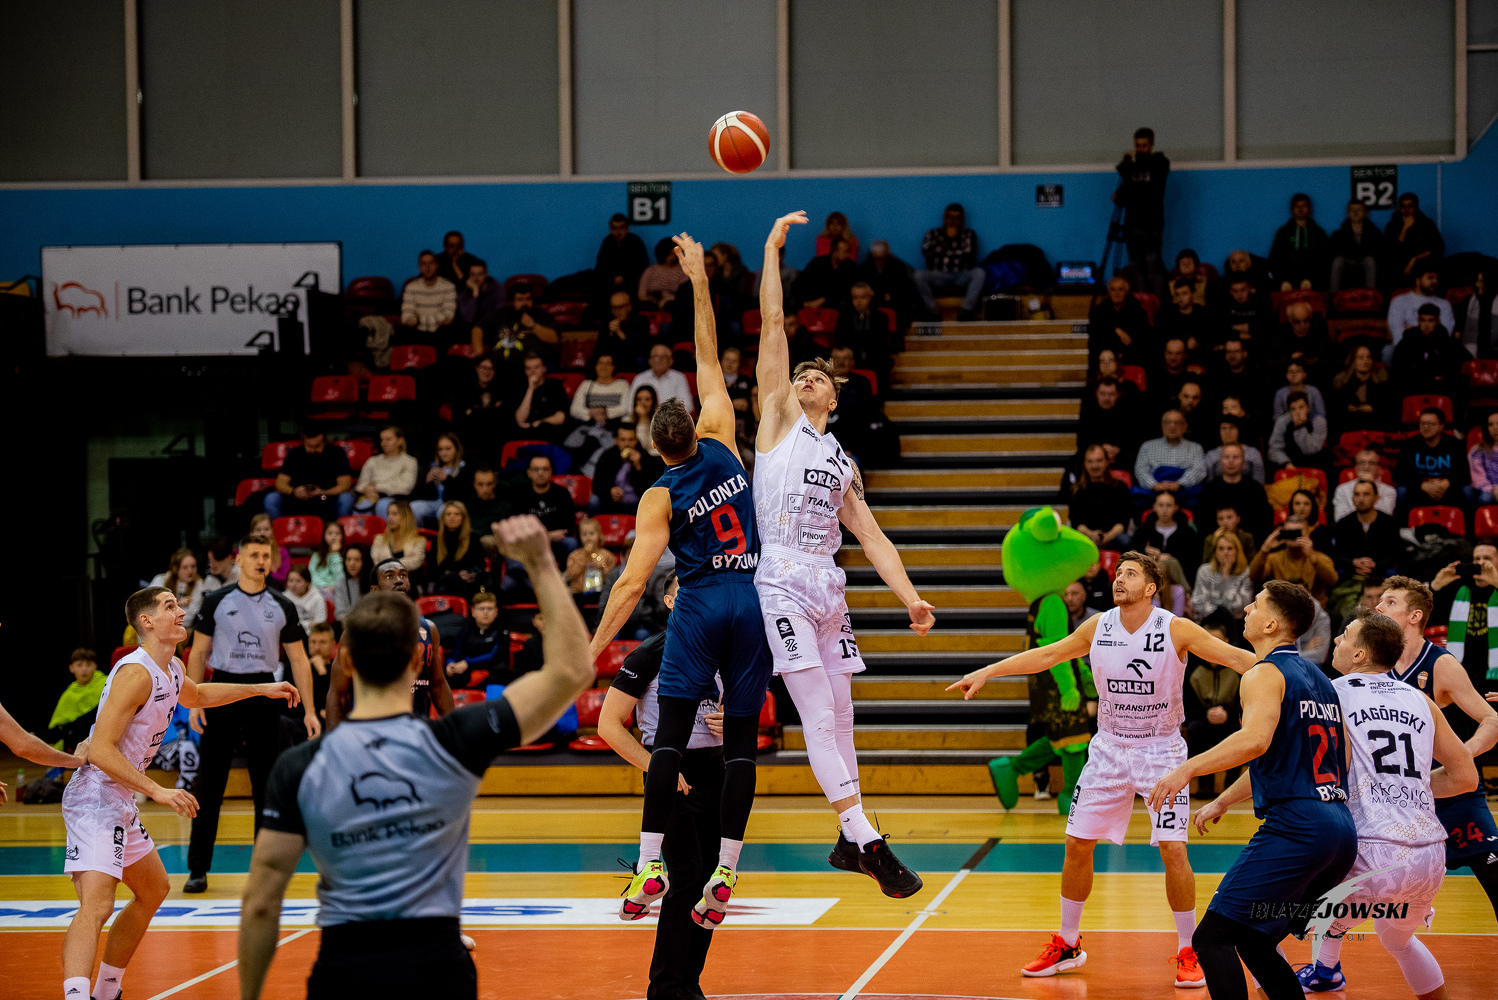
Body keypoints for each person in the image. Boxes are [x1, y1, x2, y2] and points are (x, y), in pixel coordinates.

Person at [238, 517, 595, 1000]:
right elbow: (573, 670)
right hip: (438, 971)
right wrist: (541, 562)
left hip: (344, 974)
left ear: (346, 662)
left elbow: (261, 903)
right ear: (416, 659)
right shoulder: (454, 743)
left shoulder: (299, 766)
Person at [950, 551, 1255, 987]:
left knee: (1173, 850)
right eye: (1117, 573)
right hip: (1109, 750)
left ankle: (1190, 949)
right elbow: (1047, 655)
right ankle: (1068, 943)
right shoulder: (1098, 626)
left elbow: (1236, 659)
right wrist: (989, 670)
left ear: (1151, 587)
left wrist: (1288, 677)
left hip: (1161, 753)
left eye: (1130, 574)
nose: (1119, 579)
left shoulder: (1175, 628)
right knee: (1076, 844)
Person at [586, 231, 773, 929]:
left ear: (653, 446)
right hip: (751, 596)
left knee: (668, 736)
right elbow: (707, 356)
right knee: (741, 742)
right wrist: (699, 280)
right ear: (693, 426)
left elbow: (631, 585)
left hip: (697, 603)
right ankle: (726, 870)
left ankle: (651, 865)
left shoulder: (659, 496)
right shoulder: (722, 439)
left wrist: (591, 647)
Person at [754, 211, 934, 898]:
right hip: (781, 579)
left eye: (817, 375)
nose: (805, 377)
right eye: (800, 374)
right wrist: (773, 250)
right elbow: (774, 327)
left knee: (843, 716)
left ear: (837, 392)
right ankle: (869, 841)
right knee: (817, 717)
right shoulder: (778, 422)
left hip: (829, 586)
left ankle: (845, 838)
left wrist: (910, 597)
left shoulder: (842, 461)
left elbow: (872, 536)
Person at [61, 586, 297, 1000]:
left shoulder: (170, 667)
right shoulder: (135, 673)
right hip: (95, 796)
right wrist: (158, 789)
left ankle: (107, 991)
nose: (182, 611)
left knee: (153, 889)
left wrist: (261, 688)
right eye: (170, 606)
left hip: (120, 796)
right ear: (147, 621)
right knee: (97, 906)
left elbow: (199, 695)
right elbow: (99, 749)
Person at [1147, 581, 1356, 1000]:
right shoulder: (1322, 679)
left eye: (1256, 605)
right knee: (1255, 940)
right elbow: (1337, 759)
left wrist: (1186, 769)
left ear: (1272, 624)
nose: (1246, 609)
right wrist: (1224, 799)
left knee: (1211, 939)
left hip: (1298, 828)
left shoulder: (1263, 673)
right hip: (1339, 833)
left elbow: (1255, 741)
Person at [1292, 610, 1477, 995]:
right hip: (1428, 857)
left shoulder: (1330, 693)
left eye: (1344, 635)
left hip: (1370, 850)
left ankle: (1314, 972)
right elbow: (1465, 778)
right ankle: (1326, 973)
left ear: (1360, 654)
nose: (1337, 641)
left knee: (1263, 924)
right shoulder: (1421, 700)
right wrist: (1405, 785)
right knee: (1397, 940)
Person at [597, 574, 725, 1000]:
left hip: (716, 768)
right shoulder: (650, 652)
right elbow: (608, 725)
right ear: (670, 602)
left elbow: (741, 705)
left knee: (711, 884)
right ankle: (666, 987)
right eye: (687, 592)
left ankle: (690, 982)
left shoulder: (722, 648)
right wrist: (659, 766)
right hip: (671, 769)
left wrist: (731, 721)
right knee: (686, 876)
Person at [182, 534, 320, 894]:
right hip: (223, 689)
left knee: (266, 785)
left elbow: (299, 660)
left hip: (264, 690)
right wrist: (195, 701)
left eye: (266, 555)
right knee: (209, 783)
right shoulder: (215, 601)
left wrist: (309, 710)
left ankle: (264, 871)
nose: (261, 560)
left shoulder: (283, 604)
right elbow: (197, 653)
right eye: (254, 555)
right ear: (239, 559)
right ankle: (197, 868)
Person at [1377, 576, 1498, 921]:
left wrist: (1463, 756)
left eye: (1390, 602)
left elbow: (1491, 719)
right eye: (1380, 600)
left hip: (1452, 795)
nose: (1379, 607)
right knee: (1356, 885)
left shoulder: (1440, 664)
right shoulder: (1374, 665)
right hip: (1401, 801)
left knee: (1494, 875)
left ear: (1414, 616)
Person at [325, 558, 455, 730]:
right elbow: (337, 694)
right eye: (389, 576)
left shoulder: (429, 629)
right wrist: (333, 738)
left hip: (414, 732)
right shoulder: (355, 633)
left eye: (403, 575)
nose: (399, 580)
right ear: (374, 590)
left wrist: (455, 731)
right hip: (368, 733)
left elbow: (438, 686)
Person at [1114, 127, 1170, 297]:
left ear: (1151, 145)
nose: (1141, 149)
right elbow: (1124, 194)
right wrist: (1127, 163)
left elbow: (1148, 192)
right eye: (1138, 146)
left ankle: (1157, 303)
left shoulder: (1160, 163)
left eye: (1144, 145)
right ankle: (1142, 301)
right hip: (1132, 224)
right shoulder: (1131, 167)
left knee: (1154, 265)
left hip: (1152, 225)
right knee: (1137, 266)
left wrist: (1129, 165)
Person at [266, 428, 355, 522]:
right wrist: (294, 491)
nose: (312, 450)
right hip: (298, 499)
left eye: (317, 446)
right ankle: (278, 529)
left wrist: (323, 492)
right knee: (271, 498)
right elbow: (280, 483)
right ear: (303, 441)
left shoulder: (337, 453)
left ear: (325, 442)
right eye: (308, 446)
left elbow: (345, 485)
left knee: (346, 498)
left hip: (325, 498)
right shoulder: (294, 454)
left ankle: (338, 530)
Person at [915, 203, 985, 320]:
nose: (953, 221)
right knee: (918, 275)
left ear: (962, 220)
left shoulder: (969, 234)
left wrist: (943, 250)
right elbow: (926, 250)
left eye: (957, 218)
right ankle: (933, 312)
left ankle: (966, 311)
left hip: (961, 275)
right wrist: (951, 243)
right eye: (950, 217)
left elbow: (970, 255)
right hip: (938, 274)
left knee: (979, 273)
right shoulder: (933, 233)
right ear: (944, 217)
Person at [1248, 517, 1337, 607]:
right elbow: (1253, 576)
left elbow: (1332, 581)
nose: (1294, 537)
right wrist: (1264, 550)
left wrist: (1314, 559)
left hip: (1313, 608)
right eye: (1290, 532)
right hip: (1283, 607)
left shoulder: (1320, 558)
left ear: (1307, 533)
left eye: (1297, 532)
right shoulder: (1275, 558)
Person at [507, 455, 577, 566]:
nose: (540, 473)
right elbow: (515, 528)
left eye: (545, 469)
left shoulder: (562, 494)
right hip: (529, 545)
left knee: (571, 543)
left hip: (556, 545)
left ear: (551, 472)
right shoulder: (519, 495)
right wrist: (548, 536)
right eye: (536, 469)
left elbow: (568, 527)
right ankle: (519, 576)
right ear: (529, 473)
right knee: (512, 547)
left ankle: (566, 575)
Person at [1392, 304, 1469, 401]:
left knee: (1462, 381)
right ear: (1418, 321)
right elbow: (1399, 369)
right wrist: (1428, 375)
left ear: (1437, 321)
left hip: (1441, 387)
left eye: (1430, 320)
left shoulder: (1447, 341)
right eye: (1423, 320)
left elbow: (1463, 361)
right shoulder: (1408, 341)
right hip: (1415, 385)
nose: (1426, 325)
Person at [1196, 443, 1272, 542]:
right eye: (1226, 457)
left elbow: (1264, 520)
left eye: (1235, 457)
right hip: (1217, 541)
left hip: (1250, 542)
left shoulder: (1255, 489)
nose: (1230, 461)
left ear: (1243, 462)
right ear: (1221, 461)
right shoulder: (1209, 490)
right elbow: (1202, 520)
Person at [1396, 407, 1468, 511]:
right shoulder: (1409, 445)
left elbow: (1464, 474)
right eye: (1422, 423)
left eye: (1430, 424)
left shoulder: (1455, 445)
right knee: (1401, 491)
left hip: (1448, 488)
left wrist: (1447, 483)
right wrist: (1422, 485)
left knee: (1467, 490)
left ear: (1441, 426)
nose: (1425, 427)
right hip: (1419, 489)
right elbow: (1400, 475)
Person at [1132, 409, 1207, 509]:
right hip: (1154, 491)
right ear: (1162, 425)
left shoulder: (1195, 447)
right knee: (1139, 503)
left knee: (1197, 503)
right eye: (1168, 422)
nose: (1172, 426)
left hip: (1183, 491)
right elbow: (1140, 470)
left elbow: (1199, 470)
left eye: (1177, 423)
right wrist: (1155, 485)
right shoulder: (1147, 446)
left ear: (1184, 426)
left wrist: (1179, 484)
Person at [1332, 480, 1401, 583]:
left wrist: (1374, 565)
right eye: (1357, 494)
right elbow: (1338, 555)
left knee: (1393, 575)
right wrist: (1353, 563)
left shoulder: (1389, 522)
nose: (1361, 499)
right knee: (1337, 574)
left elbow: (1396, 554)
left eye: (1366, 494)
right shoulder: (1343, 523)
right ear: (1352, 498)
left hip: (1381, 569)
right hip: (1351, 569)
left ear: (1376, 497)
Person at [592, 423, 665, 516]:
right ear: (616, 440)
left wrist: (638, 467)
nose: (627, 444)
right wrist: (609, 491)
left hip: (636, 501)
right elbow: (597, 484)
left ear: (636, 440)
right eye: (623, 440)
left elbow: (651, 489)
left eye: (631, 440)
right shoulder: (608, 456)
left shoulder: (645, 457)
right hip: (612, 500)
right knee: (594, 501)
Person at [1067, 444, 1131, 549]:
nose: (1094, 466)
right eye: (1090, 461)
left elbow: (1123, 520)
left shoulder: (1120, 487)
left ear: (1107, 461)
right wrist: (1091, 534)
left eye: (1099, 461)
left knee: (1126, 541)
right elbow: (1076, 521)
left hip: (1114, 535)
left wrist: (1108, 536)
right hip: (1086, 535)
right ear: (1084, 464)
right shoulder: (1077, 490)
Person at [41, 649, 106, 752]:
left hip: (103, 734)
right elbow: (58, 723)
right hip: (76, 741)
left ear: (95, 666)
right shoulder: (69, 694)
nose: (84, 669)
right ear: (71, 668)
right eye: (79, 665)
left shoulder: (106, 683)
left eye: (88, 665)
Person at [1387, 264, 1457, 356]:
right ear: (1418, 280)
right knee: (1388, 351)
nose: (1435, 281)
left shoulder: (1444, 304)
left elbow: (1445, 334)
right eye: (1430, 278)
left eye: (1436, 278)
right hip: (1406, 346)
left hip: (1435, 349)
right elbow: (1398, 334)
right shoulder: (1399, 301)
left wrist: (1413, 329)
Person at [835, 281, 892, 390]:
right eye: (855, 298)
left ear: (870, 298)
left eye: (863, 297)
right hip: (851, 361)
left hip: (875, 360)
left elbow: (881, 343)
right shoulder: (844, 317)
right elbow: (841, 341)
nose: (859, 301)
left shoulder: (880, 317)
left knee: (884, 364)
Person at [1268, 193, 1330, 290]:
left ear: (1309, 208)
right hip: (1287, 275)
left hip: (1312, 275)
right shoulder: (1283, 231)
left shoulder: (1318, 232)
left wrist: (1312, 280)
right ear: (1292, 209)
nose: (1300, 209)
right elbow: (1274, 257)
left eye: (1304, 206)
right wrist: (1282, 280)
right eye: (1297, 207)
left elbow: (1325, 258)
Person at [444, 590, 504, 690]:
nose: (485, 612)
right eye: (481, 609)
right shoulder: (464, 631)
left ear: (496, 611)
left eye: (490, 609)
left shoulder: (502, 632)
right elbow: (454, 654)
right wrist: (450, 664)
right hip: (464, 673)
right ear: (473, 611)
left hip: (492, 674)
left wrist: (468, 663)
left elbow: (494, 656)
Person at [355, 425, 418, 518]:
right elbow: (360, 486)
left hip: (397, 500)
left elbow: (405, 488)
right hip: (371, 497)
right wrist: (368, 490)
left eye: (388, 439)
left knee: (383, 504)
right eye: (382, 440)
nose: (384, 443)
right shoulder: (372, 461)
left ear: (400, 441)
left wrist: (377, 487)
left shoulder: (409, 461)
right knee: (363, 505)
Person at [856, 239, 919, 331]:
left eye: (882, 258)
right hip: (873, 300)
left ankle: (898, 336)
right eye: (876, 258)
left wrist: (892, 295)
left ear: (887, 256)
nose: (879, 262)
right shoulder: (864, 268)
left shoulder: (898, 266)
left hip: (894, 300)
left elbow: (905, 288)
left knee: (903, 307)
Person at [410, 432, 470, 527]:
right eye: (440, 449)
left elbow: (462, 493)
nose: (444, 453)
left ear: (456, 449)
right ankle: (417, 535)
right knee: (414, 507)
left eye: (448, 449)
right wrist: (427, 481)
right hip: (434, 502)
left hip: (453, 503)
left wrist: (446, 480)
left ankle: (444, 536)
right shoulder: (432, 466)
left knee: (444, 511)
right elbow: (418, 494)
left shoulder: (464, 467)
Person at [1384, 192, 1445, 285]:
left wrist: (1414, 260)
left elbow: (1438, 247)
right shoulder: (1392, 225)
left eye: (1410, 206)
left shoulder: (1426, 223)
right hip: (1401, 261)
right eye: (1403, 206)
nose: (1407, 210)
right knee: (1389, 264)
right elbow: (1391, 249)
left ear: (1416, 208)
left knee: (1436, 262)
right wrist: (1404, 229)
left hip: (1422, 260)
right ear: (1400, 208)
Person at [1087, 275, 1152, 363]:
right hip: (1106, 358)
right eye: (1113, 289)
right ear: (1108, 292)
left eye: (1120, 289)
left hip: (1132, 357)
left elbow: (1140, 336)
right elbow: (1096, 333)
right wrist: (1115, 330)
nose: (1116, 293)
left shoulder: (1137, 310)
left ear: (1126, 292)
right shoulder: (1099, 311)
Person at [1329, 344, 1391, 434]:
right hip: (1350, 428)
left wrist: (1373, 409)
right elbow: (1335, 410)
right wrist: (1346, 408)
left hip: (1376, 427)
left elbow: (1389, 409)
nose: (1366, 361)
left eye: (1369, 357)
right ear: (1353, 361)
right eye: (1361, 358)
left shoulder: (1382, 382)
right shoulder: (1342, 383)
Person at [1135, 490, 1200, 576]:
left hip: (1179, 577)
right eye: (1161, 505)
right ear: (1154, 507)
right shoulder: (1143, 531)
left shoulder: (1187, 532)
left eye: (1169, 505)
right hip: (1149, 575)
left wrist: (1168, 560)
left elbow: (1193, 560)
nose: (1164, 510)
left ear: (1176, 507)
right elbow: (1133, 556)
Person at [429, 501, 486, 598]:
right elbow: (432, 570)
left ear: (463, 518)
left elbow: (480, 565)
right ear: (443, 518)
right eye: (448, 514)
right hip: (444, 583)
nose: (452, 517)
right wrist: (453, 575)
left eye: (457, 514)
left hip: (468, 583)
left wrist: (470, 574)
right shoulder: (437, 540)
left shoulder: (473, 539)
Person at [1194, 533, 1254, 624]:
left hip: (1235, 623)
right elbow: (1199, 603)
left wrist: (1226, 576)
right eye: (1221, 549)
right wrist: (1219, 613)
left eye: (1230, 548)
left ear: (1237, 551)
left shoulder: (1245, 573)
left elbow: (1243, 607)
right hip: (1208, 621)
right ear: (1215, 552)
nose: (1225, 553)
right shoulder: (1205, 571)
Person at [487, 282, 558, 358]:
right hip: (504, 360)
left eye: (528, 299)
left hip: (534, 360)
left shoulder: (543, 315)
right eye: (519, 300)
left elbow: (554, 339)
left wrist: (533, 325)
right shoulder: (501, 314)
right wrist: (481, 356)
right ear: (512, 301)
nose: (524, 303)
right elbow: (480, 328)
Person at [513, 353, 570, 443]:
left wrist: (539, 422)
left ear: (544, 369)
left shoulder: (555, 385)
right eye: (528, 368)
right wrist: (530, 388)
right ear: (525, 371)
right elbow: (520, 420)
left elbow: (561, 417)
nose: (532, 371)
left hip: (549, 432)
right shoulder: (520, 388)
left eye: (536, 367)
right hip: (526, 434)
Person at [1328, 199, 1382, 292]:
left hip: (1364, 260)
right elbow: (1335, 251)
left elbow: (1377, 251)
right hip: (1347, 260)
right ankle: (1334, 295)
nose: (1355, 212)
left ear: (1365, 213)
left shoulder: (1374, 233)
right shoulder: (1339, 234)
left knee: (1370, 261)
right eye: (1352, 210)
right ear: (1348, 213)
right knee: (1338, 261)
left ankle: (1371, 294)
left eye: (1359, 209)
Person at [1268, 391, 1329, 472]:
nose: (1298, 412)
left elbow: (1311, 450)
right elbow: (1273, 450)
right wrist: (1286, 462)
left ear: (1308, 408)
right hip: (1291, 464)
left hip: (1315, 463)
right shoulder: (1282, 422)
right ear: (1289, 411)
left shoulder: (1319, 421)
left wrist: (1300, 427)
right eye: (1293, 409)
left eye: (1301, 407)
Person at [149, 547, 209, 629]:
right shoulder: (161, 580)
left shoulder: (199, 584)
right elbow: (150, 609)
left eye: (193, 566)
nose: (190, 571)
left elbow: (187, 619)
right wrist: (177, 604)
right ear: (176, 569)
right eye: (185, 567)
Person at [400, 250, 457, 336]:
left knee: (450, 330)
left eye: (431, 263)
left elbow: (448, 314)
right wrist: (411, 321)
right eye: (424, 264)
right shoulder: (411, 287)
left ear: (436, 266)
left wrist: (421, 321)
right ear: (419, 268)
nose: (427, 267)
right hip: (416, 331)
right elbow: (407, 313)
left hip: (440, 331)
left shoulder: (448, 287)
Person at [793, 236, 858, 311]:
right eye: (845, 252)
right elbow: (799, 284)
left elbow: (844, 290)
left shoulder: (850, 266)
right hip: (812, 300)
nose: (848, 255)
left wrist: (823, 300)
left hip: (834, 303)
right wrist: (806, 303)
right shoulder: (818, 263)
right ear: (835, 252)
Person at [1332, 450, 1397, 522]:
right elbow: (1340, 519)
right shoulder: (1342, 489)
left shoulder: (1389, 491)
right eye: (1361, 463)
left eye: (1371, 463)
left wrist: (1372, 486)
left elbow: (1385, 519)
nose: (1366, 467)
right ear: (1355, 467)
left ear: (1378, 468)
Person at [597, 212, 650, 296]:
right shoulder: (607, 242)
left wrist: (624, 277)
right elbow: (601, 266)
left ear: (627, 229)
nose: (618, 232)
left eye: (621, 228)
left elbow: (642, 266)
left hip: (632, 283)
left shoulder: (635, 242)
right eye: (614, 228)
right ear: (610, 230)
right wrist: (613, 278)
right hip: (610, 283)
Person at [569, 351, 632, 422]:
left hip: (615, 423)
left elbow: (626, 408)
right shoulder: (586, 384)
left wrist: (604, 412)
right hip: (589, 423)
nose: (604, 367)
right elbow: (574, 409)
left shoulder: (622, 384)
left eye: (608, 364)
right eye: (600, 363)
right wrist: (591, 413)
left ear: (614, 367)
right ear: (595, 366)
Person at [456, 259, 505, 350]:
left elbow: (500, 315)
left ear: (486, 274)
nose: (476, 278)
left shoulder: (498, 289)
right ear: (469, 276)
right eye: (473, 275)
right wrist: (475, 294)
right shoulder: (464, 294)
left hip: (492, 328)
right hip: (471, 329)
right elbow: (468, 319)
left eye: (480, 274)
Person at [597, 290, 652, 370]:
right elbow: (599, 349)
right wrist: (610, 334)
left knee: (640, 360)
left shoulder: (641, 321)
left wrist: (620, 333)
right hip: (612, 359)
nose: (617, 311)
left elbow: (640, 349)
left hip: (631, 358)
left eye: (620, 307)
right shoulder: (607, 323)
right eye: (614, 308)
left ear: (629, 307)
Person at [370, 499, 427, 575]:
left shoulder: (419, 541)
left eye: (394, 514)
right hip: (384, 579)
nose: (390, 517)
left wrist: (388, 565)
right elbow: (377, 564)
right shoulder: (379, 540)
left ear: (406, 516)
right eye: (388, 514)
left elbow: (415, 563)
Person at [633, 342, 694, 413]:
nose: (659, 360)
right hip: (645, 417)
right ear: (650, 360)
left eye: (664, 357)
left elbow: (688, 406)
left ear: (671, 361)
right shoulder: (640, 378)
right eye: (655, 356)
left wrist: (665, 415)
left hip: (670, 418)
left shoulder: (679, 378)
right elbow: (630, 405)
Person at [1203, 416, 1266, 484]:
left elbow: (1259, 479)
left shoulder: (1252, 452)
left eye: (1231, 427)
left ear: (1238, 430)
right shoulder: (1211, 454)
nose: (1228, 432)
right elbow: (1209, 481)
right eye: (1224, 428)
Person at [565, 517, 618, 595]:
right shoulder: (574, 555)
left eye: (592, 533)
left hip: (600, 593)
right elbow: (571, 575)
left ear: (599, 535)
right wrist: (584, 557)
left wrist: (602, 569)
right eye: (584, 534)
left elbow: (613, 577)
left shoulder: (607, 555)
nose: (588, 537)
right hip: (578, 593)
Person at [1157, 278, 1211, 352]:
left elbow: (1209, 339)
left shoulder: (1203, 314)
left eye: (1184, 293)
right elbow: (1161, 338)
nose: (1180, 298)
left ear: (1192, 293)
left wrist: (1197, 345)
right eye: (1177, 294)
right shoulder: (1168, 314)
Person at [1460, 267, 1498, 359]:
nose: (1477, 284)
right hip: (1475, 355)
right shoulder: (1472, 301)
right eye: (1477, 281)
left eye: (1481, 281)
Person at [245, 513, 291, 588]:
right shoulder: (243, 551)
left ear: (272, 531)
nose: (262, 533)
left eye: (266, 529)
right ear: (252, 532)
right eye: (258, 530)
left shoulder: (282, 552)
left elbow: (284, 578)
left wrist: (269, 571)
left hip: (275, 589)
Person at [639, 237, 685, 307]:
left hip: (673, 304)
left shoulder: (682, 272)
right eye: (670, 254)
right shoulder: (650, 271)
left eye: (674, 254)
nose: (673, 257)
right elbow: (641, 294)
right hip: (651, 305)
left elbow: (684, 293)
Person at [284, 565, 328, 633]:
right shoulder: (284, 597)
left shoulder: (317, 598)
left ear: (308, 583)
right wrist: (308, 624)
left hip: (312, 635)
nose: (293, 585)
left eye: (298, 581)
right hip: (290, 635)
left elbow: (319, 625)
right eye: (290, 580)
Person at [309, 521, 345, 598]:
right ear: (324, 536)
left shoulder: (345, 556)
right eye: (330, 533)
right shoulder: (316, 556)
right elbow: (313, 575)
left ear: (342, 536)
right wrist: (325, 587)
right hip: (318, 591)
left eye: (337, 533)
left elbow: (341, 577)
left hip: (337, 591)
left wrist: (336, 554)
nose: (333, 537)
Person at [331, 545, 366, 620]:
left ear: (364, 562)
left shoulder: (371, 581)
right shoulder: (341, 581)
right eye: (349, 559)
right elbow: (340, 613)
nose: (352, 563)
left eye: (357, 560)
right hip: (348, 624)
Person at [632, 384, 661, 456]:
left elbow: (652, 447)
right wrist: (642, 418)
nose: (643, 403)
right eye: (639, 399)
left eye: (647, 399)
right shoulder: (627, 420)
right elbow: (641, 447)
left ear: (653, 402)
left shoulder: (661, 421)